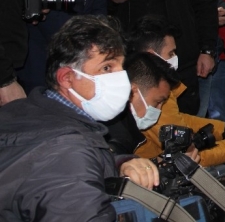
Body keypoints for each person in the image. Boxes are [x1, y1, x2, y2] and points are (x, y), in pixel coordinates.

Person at [0, 15, 159, 221]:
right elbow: (67, 166)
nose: (123, 80)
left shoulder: (25, 112)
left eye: (122, 68)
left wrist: (119, 163)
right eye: (107, 68)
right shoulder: (68, 150)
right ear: (67, 78)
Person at [119, 14, 225, 167]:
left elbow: (180, 121)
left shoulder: (151, 88)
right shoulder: (151, 94)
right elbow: (188, 157)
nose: (175, 58)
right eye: (171, 53)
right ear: (152, 55)